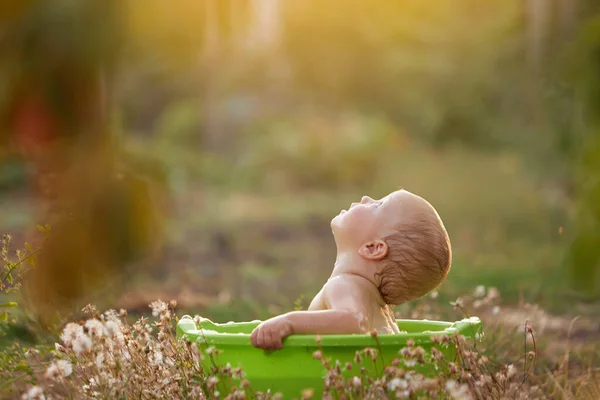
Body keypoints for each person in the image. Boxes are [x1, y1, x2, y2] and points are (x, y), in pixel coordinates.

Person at [250, 189, 452, 350]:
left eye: (377, 205)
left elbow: (355, 321)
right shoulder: (380, 308)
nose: (366, 198)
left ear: (373, 248)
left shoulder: (344, 284)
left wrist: (289, 322)